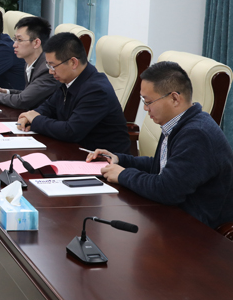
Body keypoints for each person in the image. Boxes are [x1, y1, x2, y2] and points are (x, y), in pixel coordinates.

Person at [86, 62, 233, 228]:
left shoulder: (197, 134)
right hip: (173, 213)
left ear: (174, 98)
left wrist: (123, 174)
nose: (145, 108)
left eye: (148, 101)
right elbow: (161, 166)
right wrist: (120, 159)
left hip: (198, 230)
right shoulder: (178, 123)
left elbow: (167, 190)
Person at [17, 32, 129, 154]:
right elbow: (49, 106)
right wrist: (29, 116)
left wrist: (35, 120)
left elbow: (71, 131)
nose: (50, 71)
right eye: (48, 66)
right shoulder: (67, 79)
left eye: (53, 66)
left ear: (73, 63)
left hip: (103, 159)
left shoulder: (96, 90)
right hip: (75, 150)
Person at [0, 15, 59, 109]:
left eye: (19, 40)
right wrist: (4, 91)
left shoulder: (47, 69)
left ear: (36, 43)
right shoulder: (31, 62)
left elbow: (22, 101)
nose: (14, 45)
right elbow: (28, 94)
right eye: (15, 39)